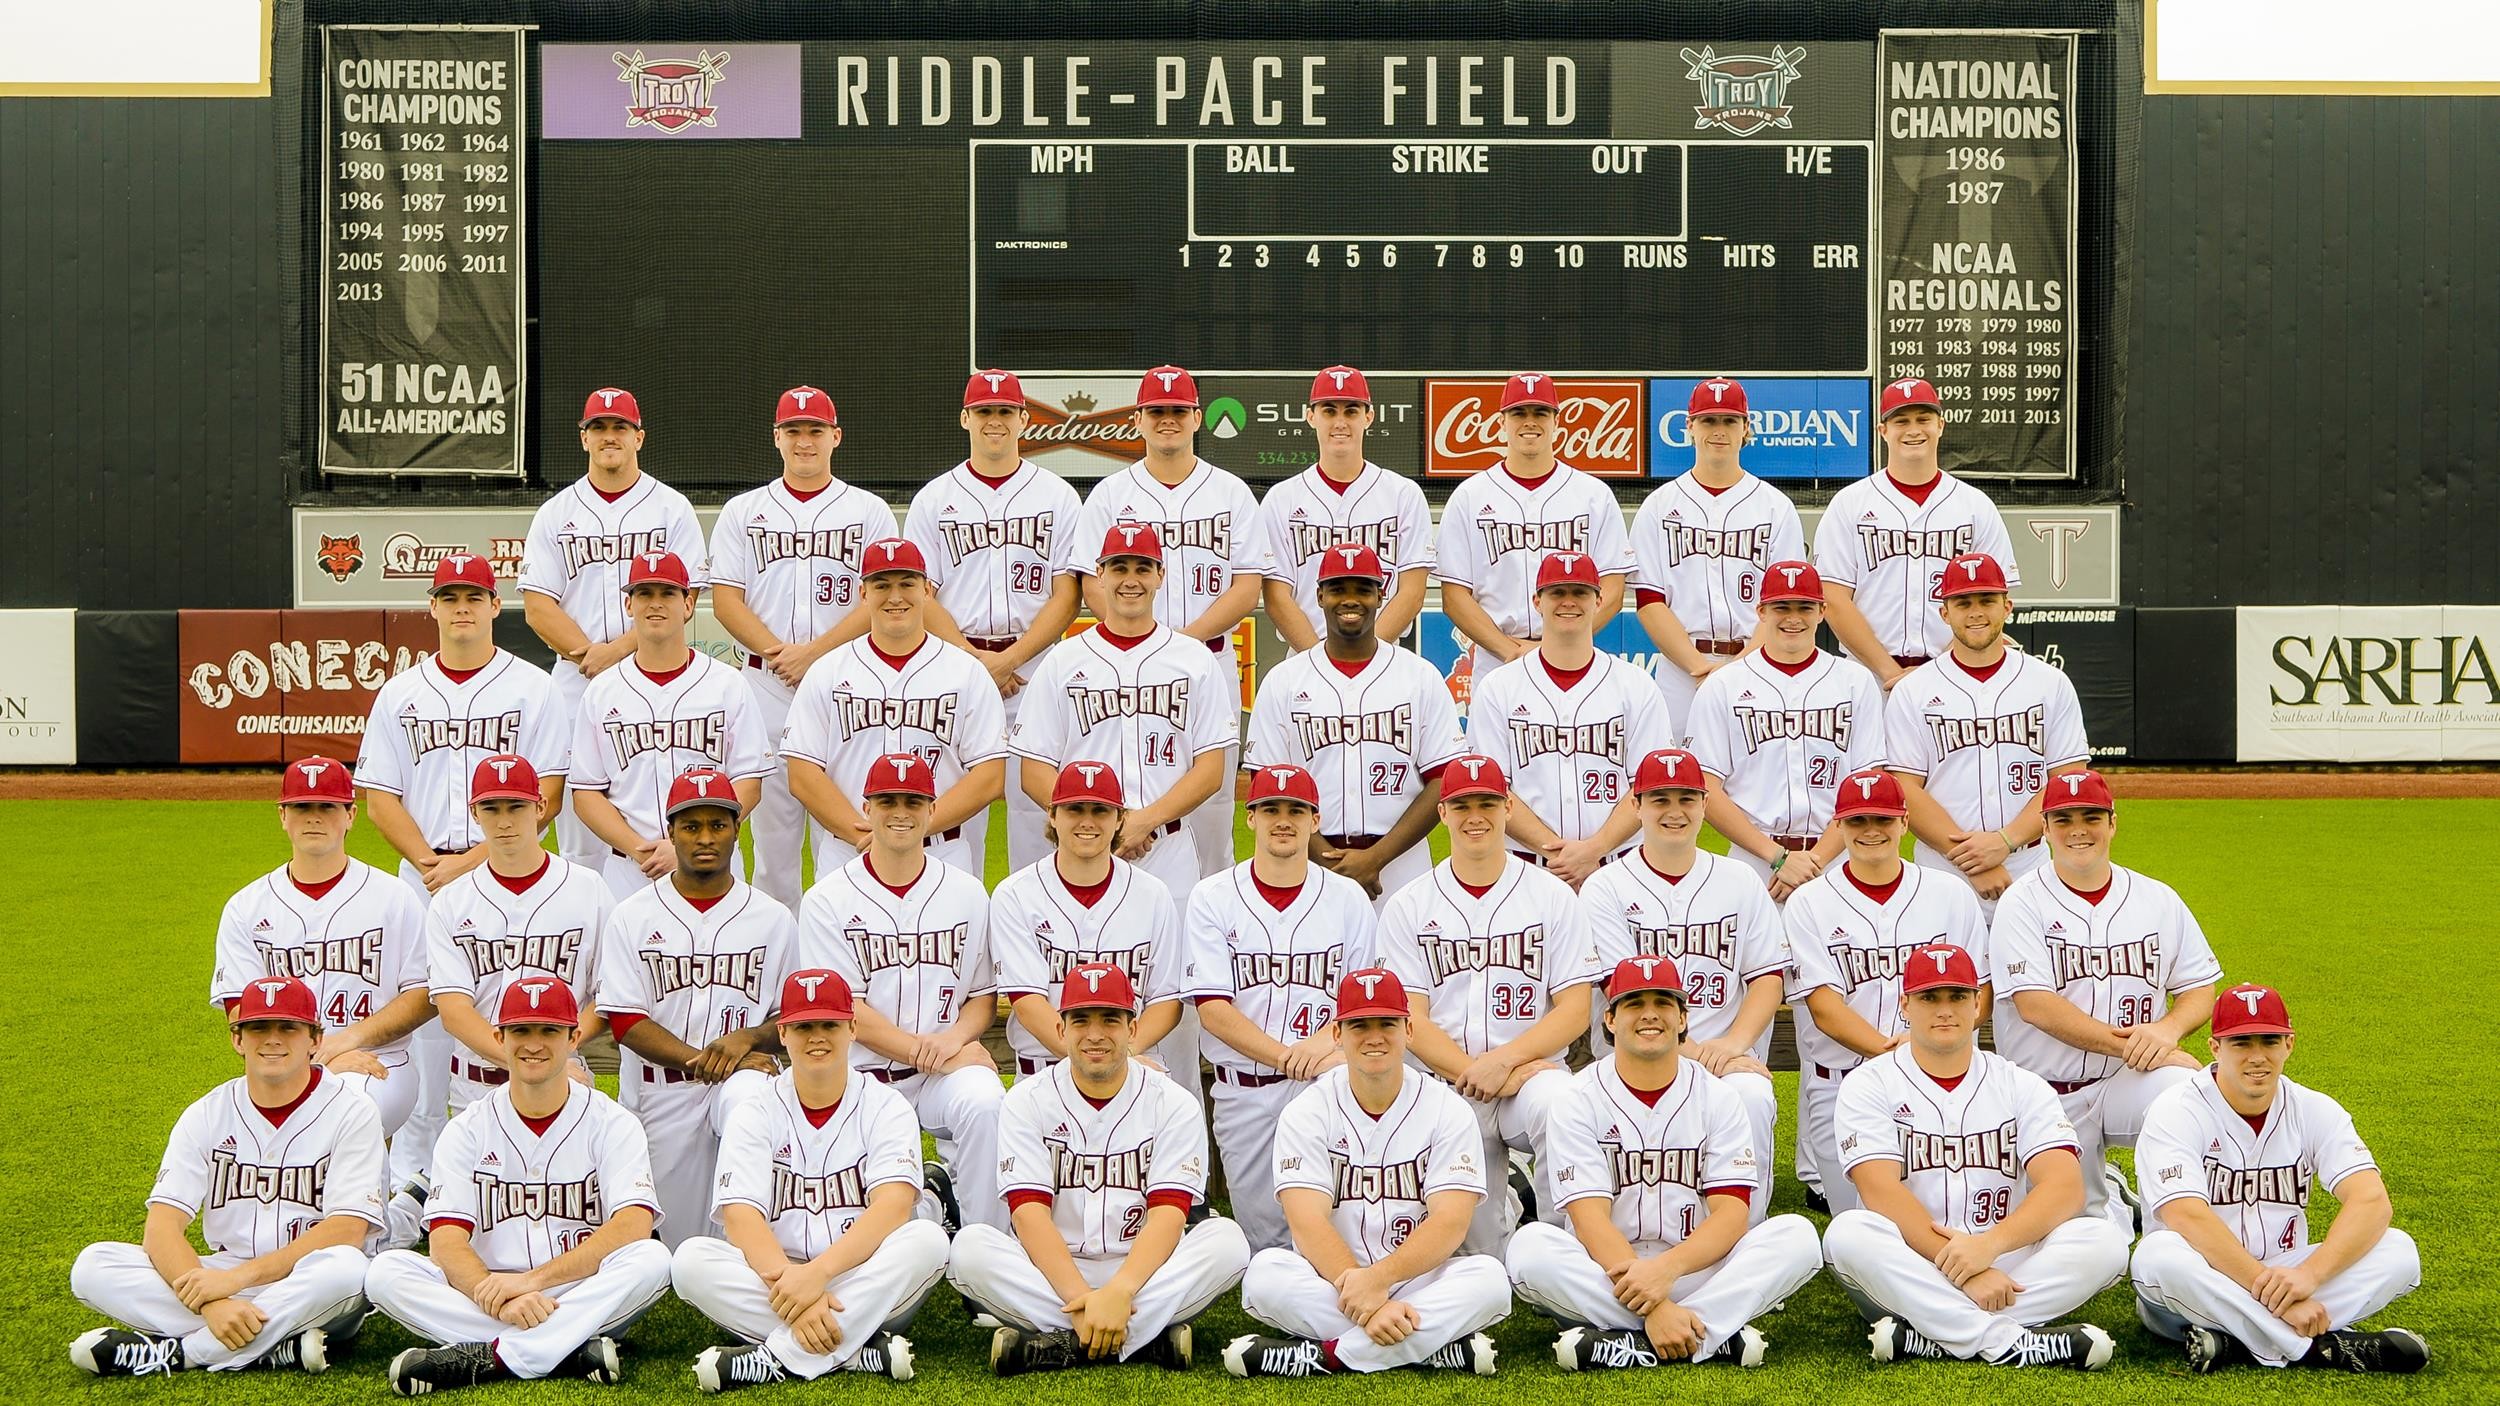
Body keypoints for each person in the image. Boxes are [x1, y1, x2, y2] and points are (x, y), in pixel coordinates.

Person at [356, 552, 568, 1218]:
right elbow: (379, 795)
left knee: (504, 1004)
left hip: (506, 870)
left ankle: (503, 1161)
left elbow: (550, 792)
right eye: (449, 598)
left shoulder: (534, 688)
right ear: (433, 606)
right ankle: (416, 1172)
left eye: (472, 597)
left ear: (493, 603)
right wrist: (429, 862)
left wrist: (471, 860)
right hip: (423, 873)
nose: (462, 609)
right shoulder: (402, 693)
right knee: (424, 1023)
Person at [1822, 944, 2130, 1370]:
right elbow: (1879, 1191)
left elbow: (2064, 1187)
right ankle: (2011, 1340)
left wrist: (1989, 1248)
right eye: (1930, 997)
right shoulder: (1869, 1084)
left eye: (1957, 996)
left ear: (1977, 1004)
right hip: (1913, 1265)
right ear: (1905, 1004)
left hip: (2007, 1264)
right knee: (1849, 1233)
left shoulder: (2021, 1084)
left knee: (2106, 1240)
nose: (1944, 1010)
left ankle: (1931, 1337)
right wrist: (1967, 1272)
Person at [1507, 957, 1821, 1370]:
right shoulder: (1576, 1098)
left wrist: (1666, 1272)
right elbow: (1589, 1220)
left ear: (1683, 1018)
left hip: (1698, 1268)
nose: (1650, 1014)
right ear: (1611, 1019)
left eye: (1663, 1002)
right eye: (1634, 1003)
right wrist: (1654, 1304)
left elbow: (1731, 1214)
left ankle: (1626, 1342)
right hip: (1608, 1271)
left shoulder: (1720, 1096)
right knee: (1530, 1250)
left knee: (1797, 1237)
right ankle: (1710, 1333)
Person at [366, 978, 670, 1392]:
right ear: (499, 1037)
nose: (534, 1044)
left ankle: (490, 1356)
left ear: (573, 1037)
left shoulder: (612, 1123)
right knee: (385, 1272)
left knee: (652, 1260)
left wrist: (531, 1283)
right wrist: (493, 1294)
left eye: (549, 1030)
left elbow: (632, 1225)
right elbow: (447, 1241)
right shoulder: (467, 1129)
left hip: (579, 1287)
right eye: (521, 1030)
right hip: (492, 1295)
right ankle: (567, 1348)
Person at [946, 964, 1251, 1375]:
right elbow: (1028, 1213)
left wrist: (1121, 1291)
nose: (1095, 1035)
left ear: (1132, 1028)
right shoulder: (1027, 1100)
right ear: (1060, 1029)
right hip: (1051, 1274)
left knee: (1227, 1243)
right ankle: (1145, 1339)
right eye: (1080, 1020)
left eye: (1110, 1019)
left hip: (1146, 1273)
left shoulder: (1173, 1103)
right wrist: (1080, 1295)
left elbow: (1169, 1213)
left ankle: (1065, 1343)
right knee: (969, 1249)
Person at [70, 976, 384, 1377]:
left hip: (308, 1279)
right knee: (93, 1265)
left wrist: (235, 1280)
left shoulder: (352, 1111)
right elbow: (162, 1226)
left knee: (347, 1268)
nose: (272, 1039)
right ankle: (272, 1346)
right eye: (258, 1027)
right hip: (226, 1280)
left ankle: (182, 1353)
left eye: (288, 1026)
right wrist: (213, 1303)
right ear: (237, 1039)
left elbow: (346, 1230)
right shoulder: (206, 1113)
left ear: (315, 1040)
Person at [672, 969, 949, 1388]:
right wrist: (796, 1292)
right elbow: (741, 1216)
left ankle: (775, 1357)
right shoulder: (755, 1109)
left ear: (852, 1028)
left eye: (829, 1024)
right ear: (783, 1033)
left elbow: (892, 1207)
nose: (817, 1036)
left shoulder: (886, 1106)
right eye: (804, 1025)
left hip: (862, 1274)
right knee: (690, 1260)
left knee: (928, 1241)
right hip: (777, 1282)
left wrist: (816, 1278)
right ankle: (857, 1351)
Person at [1224, 967, 1507, 1377]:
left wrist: (1381, 1280)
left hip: (1417, 1279)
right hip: (1334, 1283)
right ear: (1337, 1034)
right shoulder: (1307, 1110)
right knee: (1264, 1275)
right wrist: (1364, 1292)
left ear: (1409, 1029)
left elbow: (1450, 1222)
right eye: (1359, 1025)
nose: (1374, 1036)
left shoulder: (1447, 1108)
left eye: (1387, 1023)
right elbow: (1305, 1222)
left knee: (1491, 1280)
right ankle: (1430, 1349)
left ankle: (1327, 1356)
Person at [2130, 984, 2427, 1373]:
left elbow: (2371, 1201)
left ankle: (2236, 1345)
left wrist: (2310, 1275)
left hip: (2288, 1276)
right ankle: (2322, 1350)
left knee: (2399, 1249)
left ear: (2289, 1044)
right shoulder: (2176, 1110)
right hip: (2199, 1284)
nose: (2257, 1057)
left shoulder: (2314, 1109)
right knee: (2159, 1255)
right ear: (2215, 1047)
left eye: (2269, 1041)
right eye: (2241, 1043)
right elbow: (2186, 1216)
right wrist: (2279, 1296)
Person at [1376, 753, 1604, 1254]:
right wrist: (1472, 1072)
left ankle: (1563, 1255)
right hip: (1447, 1083)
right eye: (1461, 805)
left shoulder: (1551, 896)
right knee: (1480, 1254)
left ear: (1506, 807)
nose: (1474, 815)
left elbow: (1573, 1009)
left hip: (1531, 1076)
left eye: (1486, 803)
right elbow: (1410, 1016)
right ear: (1442, 813)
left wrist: (1504, 1062)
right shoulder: (1410, 904)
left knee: (1563, 1104)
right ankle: (1506, 1219)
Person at [1990, 769, 2219, 1227]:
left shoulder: (2157, 898)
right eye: (2064, 818)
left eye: (2091, 816)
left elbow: (2199, 986)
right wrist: (2136, 1046)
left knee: (2188, 1095)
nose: (2079, 829)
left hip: (2125, 1084)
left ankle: (2166, 1241)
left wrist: (2167, 1030)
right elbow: (2035, 1005)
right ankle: (2106, 1193)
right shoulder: (2022, 902)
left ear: (2112, 822)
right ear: (2046, 828)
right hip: (2044, 1095)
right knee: (2076, 1228)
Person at [1066, 366, 1271, 876]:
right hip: (1123, 664)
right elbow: (1091, 581)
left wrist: (1179, 643)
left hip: (1210, 660)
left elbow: (1248, 586)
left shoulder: (1230, 492)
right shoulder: (1110, 495)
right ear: (1137, 420)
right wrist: (1150, 642)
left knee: (1214, 814)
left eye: (1178, 411)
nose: (1167, 420)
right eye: (1156, 411)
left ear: (1197, 418)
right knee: (1123, 795)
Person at [707, 386, 901, 907]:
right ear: (777, 438)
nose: (805, 440)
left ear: (835, 436)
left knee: (846, 833)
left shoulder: (869, 511)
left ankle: (839, 956)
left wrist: (813, 653)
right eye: (794, 430)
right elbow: (726, 599)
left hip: (845, 683)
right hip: (764, 683)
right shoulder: (744, 512)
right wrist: (779, 652)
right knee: (772, 843)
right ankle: (777, 969)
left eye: (815, 429)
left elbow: (879, 597)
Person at [799, 753, 1005, 1231]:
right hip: (859, 1078)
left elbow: (981, 996)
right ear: (866, 808)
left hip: (940, 1076)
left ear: (931, 809)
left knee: (985, 1101)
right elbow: (843, 1007)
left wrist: (952, 1045)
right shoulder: (827, 899)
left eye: (913, 801)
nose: (900, 812)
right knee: (891, 1231)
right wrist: (931, 1052)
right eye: (887, 800)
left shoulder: (967, 892)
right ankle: (933, 1202)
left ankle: (987, 1252)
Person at [594, 767, 796, 1248]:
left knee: (750, 1099)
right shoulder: (633, 916)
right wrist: (711, 1060)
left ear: (736, 829)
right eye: (691, 826)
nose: (705, 837)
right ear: (670, 832)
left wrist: (746, 1041)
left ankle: (764, 1253)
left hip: (743, 1082)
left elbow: (792, 1015)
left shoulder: (772, 919)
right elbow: (625, 1021)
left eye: (718, 824)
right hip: (661, 1093)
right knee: (677, 1245)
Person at [1578, 748, 1786, 1214]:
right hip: (1630, 1061)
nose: (1675, 811)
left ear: (1705, 804)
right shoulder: (1606, 886)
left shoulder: (1740, 880)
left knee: (1751, 1094)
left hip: (1727, 1054)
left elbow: (1768, 978)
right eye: (1660, 799)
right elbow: (1622, 994)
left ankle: (1742, 1239)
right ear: (1636, 806)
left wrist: (1733, 1045)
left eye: (1687, 798)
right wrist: (1703, 1056)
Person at [1184, 762, 1378, 1251]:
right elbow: (1212, 1008)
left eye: (1296, 810)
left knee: (1338, 1229)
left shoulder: (1348, 898)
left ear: (1315, 820)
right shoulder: (1212, 898)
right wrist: (1285, 1056)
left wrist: (1319, 1046)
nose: (1283, 819)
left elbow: (1363, 1002)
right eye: (1270, 808)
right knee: (1265, 1243)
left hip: (1327, 1083)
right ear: (1250, 817)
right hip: (1244, 1091)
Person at [900, 369, 1085, 871]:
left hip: (1036, 667)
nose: (995, 421)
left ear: (1024, 419)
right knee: (957, 814)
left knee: (1038, 817)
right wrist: (974, 660)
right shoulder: (935, 498)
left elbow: (1068, 594)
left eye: (1005, 411)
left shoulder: (1058, 496)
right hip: (957, 667)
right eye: (984, 411)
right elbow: (920, 591)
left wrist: (1009, 661)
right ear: (965, 418)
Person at [1781, 768, 1988, 1215]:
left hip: (1941, 1081)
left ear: (1904, 822)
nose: (1871, 830)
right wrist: (1893, 1050)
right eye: (1857, 821)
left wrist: (1928, 1049)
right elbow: (1823, 1009)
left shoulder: (1949, 894)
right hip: (1841, 1085)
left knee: (1950, 1216)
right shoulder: (1808, 903)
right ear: (1838, 826)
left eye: (1883, 819)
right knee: (1859, 1230)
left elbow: (1981, 991)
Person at [520, 387, 707, 870]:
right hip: (575, 680)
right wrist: (589, 654)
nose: (609, 436)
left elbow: (686, 595)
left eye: (619, 427)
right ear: (583, 439)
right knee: (581, 828)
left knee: (655, 788)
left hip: (654, 671)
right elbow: (539, 605)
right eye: (598, 428)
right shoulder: (556, 513)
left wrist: (617, 653)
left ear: (638, 437)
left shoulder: (670, 508)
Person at [208, 758, 430, 1143]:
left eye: (327, 806)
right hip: (279, 1062)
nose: (314, 817)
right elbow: (241, 1014)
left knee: (347, 1111)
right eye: (302, 807)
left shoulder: (395, 898)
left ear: (350, 815)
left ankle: (367, 1206)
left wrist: (349, 1041)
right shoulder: (246, 907)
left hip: (380, 1062)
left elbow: (425, 994)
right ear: (282, 815)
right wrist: (316, 1059)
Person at [1008, 524, 1236, 895]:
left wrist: (1146, 820)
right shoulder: (1064, 660)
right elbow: (1032, 768)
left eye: (1142, 568)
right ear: (1099, 574)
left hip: (1167, 847)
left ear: (1161, 575)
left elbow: (1211, 769)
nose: (1131, 580)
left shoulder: (1194, 659)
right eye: (1119, 568)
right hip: (1083, 849)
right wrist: (1095, 824)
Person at [1242, 542, 1463, 908]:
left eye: (1362, 589)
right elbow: (1267, 786)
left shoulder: (1419, 677)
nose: (1350, 600)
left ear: (1380, 595)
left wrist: (1375, 859)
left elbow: (1443, 779)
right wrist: (1326, 861)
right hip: (1309, 863)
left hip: (1400, 863)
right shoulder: (1285, 681)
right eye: (1338, 589)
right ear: (1319, 595)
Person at [780, 538, 1006, 879]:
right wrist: (868, 837)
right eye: (882, 585)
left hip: (941, 851)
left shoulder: (966, 672)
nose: (895, 596)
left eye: (907, 583)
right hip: (849, 850)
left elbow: (990, 776)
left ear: (928, 590)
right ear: (863, 594)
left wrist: (913, 831)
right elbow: (803, 772)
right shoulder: (828, 671)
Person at [1886, 552, 2090, 907]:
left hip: (2029, 862)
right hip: (1942, 868)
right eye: (1963, 602)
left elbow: (2068, 779)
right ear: (1944, 613)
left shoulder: (2050, 683)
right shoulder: (1913, 690)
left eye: (1987, 600)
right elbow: (1905, 788)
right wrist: (1970, 860)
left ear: (2007, 606)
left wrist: (2005, 841)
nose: (1976, 611)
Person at [566, 551, 772, 899]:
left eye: (667, 593)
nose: (655, 604)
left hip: (714, 862)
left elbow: (749, 781)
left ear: (688, 603)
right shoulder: (602, 691)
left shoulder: (727, 684)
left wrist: (685, 846)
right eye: (645, 593)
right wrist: (638, 848)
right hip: (630, 868)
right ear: (629, 605)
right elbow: (586, 793)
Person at [1463, 551, 1675, 888]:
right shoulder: (1498, 688)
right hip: (1526, 869)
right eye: (1557, 592)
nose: (1568, 602)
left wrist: (1595, 849)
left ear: (1598, 599)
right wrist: (1559, 856)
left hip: (1617, 869)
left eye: (1579, 592)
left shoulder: (1635, 686)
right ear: (1537, 601)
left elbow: (1648, 786)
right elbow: (1493, 788)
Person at [421, 755, 610, 1127]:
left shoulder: (589, 890)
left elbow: (609, 998)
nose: (504, 821)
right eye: (491, 808)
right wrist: (529, 1065)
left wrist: (555, 1058)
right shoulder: (451, 902)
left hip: (567, 1083)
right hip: (478, 1090)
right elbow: (454, 1011)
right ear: (474, 812)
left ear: (540, 807)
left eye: (516, 806)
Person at [988, 762, 1195, 1095]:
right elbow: (1027, 1003)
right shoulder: (1016, 896)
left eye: (1100, 810)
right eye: (1074, 809)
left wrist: (1120, 1058)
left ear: (1119, 820)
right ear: (1053, 815)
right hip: (1045, 1076)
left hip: (1134, 1070)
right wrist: (1100, 1060)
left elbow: (1168, 1001)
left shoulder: (1153, 894)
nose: (1087, 821)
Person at [1686, 561, 1889, 897]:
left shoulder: (1855, 681)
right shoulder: (1724, 685)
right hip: (1753, 862)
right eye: (1782, 607)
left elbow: (1868, 781)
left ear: (1822, 611)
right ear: (1761, 612)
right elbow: (1706, 786)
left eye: (1804, 607)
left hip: (1836, 860)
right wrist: (1778, 858)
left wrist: (1816, 860)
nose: (1793, 618)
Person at [1812, 377, 2021, 689]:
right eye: (1901, 420)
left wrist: (1936, 671)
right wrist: (1889, 672)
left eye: (1923, 419)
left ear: (1940, 425)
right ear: (1883, 431)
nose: (1913, 429)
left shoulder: (1975, 506)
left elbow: (1995, 596)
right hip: (1868, 677)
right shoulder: (1850, 504)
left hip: (1955, 675)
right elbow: (1833, 598)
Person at [1629, 377, 1807, 728]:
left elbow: (1784, 603)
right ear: (1690, 426)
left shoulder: (1774, 507)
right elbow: (1649, 601)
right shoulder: (1659, 506)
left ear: (1745, 429)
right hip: (1681, 672)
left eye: (1729, 420)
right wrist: (1697, 666)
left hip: (1759, 662)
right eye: (1709, 420)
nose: (1719, 430)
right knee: (1677, 776)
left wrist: (1739, 667)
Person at [1431, 373, 1634, 675]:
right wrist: (1509, 649)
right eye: (1518, 413)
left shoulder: (1594, 495)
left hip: (1576, 656)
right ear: (1501, 422)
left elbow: (1613, 590)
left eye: (1540, 412)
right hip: (1497, 659)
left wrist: (1563, 645)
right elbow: (1454, 596)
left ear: (1556, 421)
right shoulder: (1470, 497)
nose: (1529, 421)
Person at [1257, 366, 1434, 650]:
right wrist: (1320, 662)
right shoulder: (1281, 499)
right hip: (1305, 657)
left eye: (1351, 411)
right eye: (1329, 411)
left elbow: (1412, 592)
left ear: (1369, 417)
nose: (1340, 422)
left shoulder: (1404, 495)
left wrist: (1368, 654)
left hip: (1384, 657)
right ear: (1311, 416)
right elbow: (1277, 596)